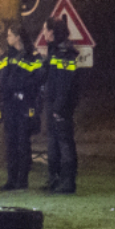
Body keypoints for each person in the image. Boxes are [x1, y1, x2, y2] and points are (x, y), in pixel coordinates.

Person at [0, 22, 44, 191]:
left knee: (23, 144)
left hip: (24, 105)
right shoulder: (5, 57)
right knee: (11, 144)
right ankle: (11, 180)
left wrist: (21, 87)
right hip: (9, 106)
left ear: (18, 36)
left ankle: (22, 180)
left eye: (10, 35)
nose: (7, 37)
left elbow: (38, 79)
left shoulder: (32, 57)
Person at [40, 15, 81, 194]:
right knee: (54, 142)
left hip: (60, 106)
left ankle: (68, 182)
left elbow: (64, 83)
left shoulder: (64, 54)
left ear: (52, 32)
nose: (43, 33)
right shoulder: (55, 51)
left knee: (64, 143)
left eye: (45, 30)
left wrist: (59, 107)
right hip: (53, 104)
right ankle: (55, 179)